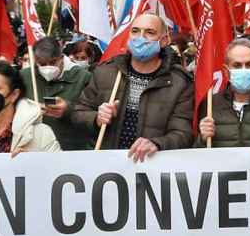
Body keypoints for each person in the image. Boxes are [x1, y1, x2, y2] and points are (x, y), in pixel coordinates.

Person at [72, 13, 194, 160]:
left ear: (164, 41)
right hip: (107, 166)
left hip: (152, 166)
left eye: (150, 32)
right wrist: (96, 118)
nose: (140, 38)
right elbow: (78, 113)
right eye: (135, 31)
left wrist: (157, 143)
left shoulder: (179, 82)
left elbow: (183, 133)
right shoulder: (106, 72)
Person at [20, 37, 93, 150]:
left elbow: (92, 113)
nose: (48, 67)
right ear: (35, 61)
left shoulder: (82, 78)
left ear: (62, 58)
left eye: (53, 62)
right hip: (33, 147)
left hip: (70, 148)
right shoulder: (25, 77)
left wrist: (68, 109)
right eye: (43, 64)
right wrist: (30, 109)